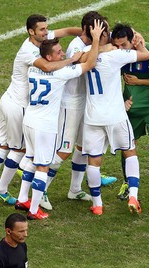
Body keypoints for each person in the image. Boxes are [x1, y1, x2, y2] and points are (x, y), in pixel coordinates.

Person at [0, 14, 83, 206]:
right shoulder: (29, 51)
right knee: (19, 149)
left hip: (8, 99)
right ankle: (1, 189)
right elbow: (48, 67)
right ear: (30, 32)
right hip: (18, 105)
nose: (46, 32)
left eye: (46, 28)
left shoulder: (42, 38)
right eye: (42, 30)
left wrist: (86, 33)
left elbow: (67, 31)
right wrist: (72, 60)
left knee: (3, 144)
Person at [15, 21, 103, 220]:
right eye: (58, 52)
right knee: (42, 166)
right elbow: (89, 64)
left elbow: (48, 66)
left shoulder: (33, 68)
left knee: (30, 160)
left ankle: (22, 198)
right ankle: (34, 209)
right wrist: (94, 41)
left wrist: (68, 59)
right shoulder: (61, 73)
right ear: (48, 57)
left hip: (29, 120)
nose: (62, 54)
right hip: (44, 125)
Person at [36, 11, 117, 211]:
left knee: (83, 147)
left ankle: (75, 189)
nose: (104, 34)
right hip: (70, 105)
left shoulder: (90, 43)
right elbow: (88, 61)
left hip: (84, 102)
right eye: (99, 31)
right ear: (89, 32)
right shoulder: (76, 47)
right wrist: (103, 43)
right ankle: (41, 188)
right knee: (64, 149)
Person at [81, 21, 149, 215]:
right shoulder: (116, 55)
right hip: (115, 116)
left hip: (92, 117)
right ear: (105, 34)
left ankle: (97, 205)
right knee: (130, 152)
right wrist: (138, 39)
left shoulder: (86, 54)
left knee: (94, 161)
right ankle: (133, 196)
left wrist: (100, 43)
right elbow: (145, 55)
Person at [112, 23, 149, 215]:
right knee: (127, 147)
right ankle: (127, 183)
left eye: (123, 44)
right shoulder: (117, 54)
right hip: (130, 111)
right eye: (117, 45)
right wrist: (121, 103)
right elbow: (109, 80)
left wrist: (140, 81)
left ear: (133, 40)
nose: (120, 49)